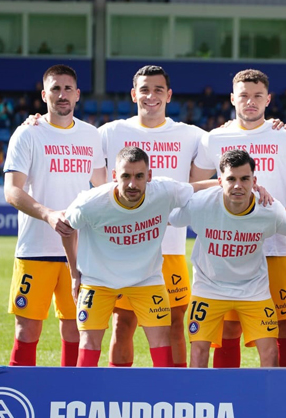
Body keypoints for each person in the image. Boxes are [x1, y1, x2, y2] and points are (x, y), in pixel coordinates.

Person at [195, 69, 286, 368]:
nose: (250, 101)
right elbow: (193, 185)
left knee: (283, 324)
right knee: (230, 328)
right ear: (232, 99)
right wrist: (237, 186)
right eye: (243, 95)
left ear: (268, 99)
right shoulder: (214, 139)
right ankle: (228, 392)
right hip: (229, 247)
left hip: (276, 246)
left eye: (257, 96)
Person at [98, 65, 209, 368]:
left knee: (175, 323)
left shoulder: (191, 135)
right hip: (125, 247)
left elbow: (231, 140)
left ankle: (177, 388)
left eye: (158, 89)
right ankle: (119, 386)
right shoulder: (110, 132)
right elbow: (71, 136)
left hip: (170, 247)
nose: (151, 96)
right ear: (134, 94)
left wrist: (271, 124)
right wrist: (38, 121)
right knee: (124, 323)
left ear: (169, 95)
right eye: (144, 90)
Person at [3, 64, 106, 367]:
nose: (62, 95)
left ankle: (71, 390)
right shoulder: (27, 134)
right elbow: (12, 190)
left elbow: (102, 186)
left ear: (77, 94)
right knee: (27, 329)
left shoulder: (90, 135)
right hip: (35, 248)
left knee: (75, 329)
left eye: (67, 89)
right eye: (55, 89)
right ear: (44, 94)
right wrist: (48, 215)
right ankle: (22, 390)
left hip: (80, 251)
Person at [62, 146, 203, 367]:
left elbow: (198, 188)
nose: (132, 184)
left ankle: (166, 389)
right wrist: (74, 273)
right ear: (114, 176)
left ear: (149, 176)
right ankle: (87, 389)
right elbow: (66, 227)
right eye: (126, 176)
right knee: (89, 343)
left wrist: (242, 186)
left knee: (162, 341)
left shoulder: (164, 190)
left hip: (147, 279)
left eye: (139, 176)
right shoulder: (91, 202)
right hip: (98, 281)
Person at [170, 149, 286, 368]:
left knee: (270, 351)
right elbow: (168, 217)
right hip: (208, 288)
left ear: (254, 181)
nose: (238, 185)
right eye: (231, 179)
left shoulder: (269, 209)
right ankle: (199, 391)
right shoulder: (200, 204)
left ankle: (269, 392)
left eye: (245, 179)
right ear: (220, 181)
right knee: (199, 350)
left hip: (253, 289)